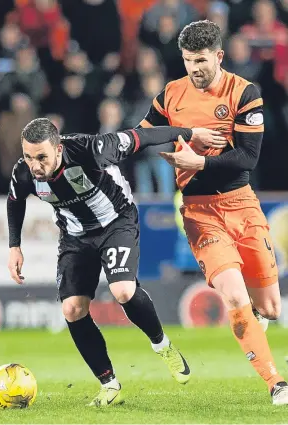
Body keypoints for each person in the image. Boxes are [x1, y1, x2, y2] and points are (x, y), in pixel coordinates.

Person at [7, 118, 220, 407]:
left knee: (122, 290)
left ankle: (162, 345)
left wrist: (190, 133)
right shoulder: (24, 172)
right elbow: (15, 200)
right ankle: (109, 384)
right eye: (29, 156)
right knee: (72, 309)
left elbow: (141, 137)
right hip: (75, 236)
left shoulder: (91, 149)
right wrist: (14, 246)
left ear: (58, 149)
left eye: (42, 157)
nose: (35, 165)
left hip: (115, 223)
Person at [139, 19, 288, 405]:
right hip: (199, 213)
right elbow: (142, 135)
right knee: (236, 299)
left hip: (242, 205)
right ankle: (276, 382)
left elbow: (248, 158)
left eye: (201, 60)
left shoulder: (244, 92)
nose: (194, 69)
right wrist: (183, 135)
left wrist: (199, 162)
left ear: (219, 56)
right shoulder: (171, 93)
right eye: (188, 60)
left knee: (270, 307)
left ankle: (257, 323)